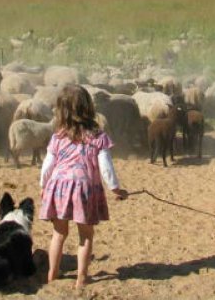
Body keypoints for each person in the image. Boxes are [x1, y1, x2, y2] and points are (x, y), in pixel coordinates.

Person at [39, 85, 128, 290]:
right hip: (84, 189)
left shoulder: (57, 137)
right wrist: (115, 188)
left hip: (58, 186)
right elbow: (106, 167)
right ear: (88, 107)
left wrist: (43, 186)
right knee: (86, 235)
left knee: (59, 233)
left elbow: (47, 166)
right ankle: (81, 277)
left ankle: (52, 273)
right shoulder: (98, 136)